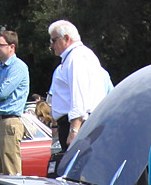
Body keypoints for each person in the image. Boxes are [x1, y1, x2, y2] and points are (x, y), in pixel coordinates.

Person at [46, 19, 110, 153]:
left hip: (78, 124)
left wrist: (74, 130)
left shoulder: (76, 57)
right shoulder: (79, 56)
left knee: (76, 171)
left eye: (53, 40)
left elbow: (79, 94)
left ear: (67, 38)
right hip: (79, 123)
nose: (51, 45)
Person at [0, 29, 29, 175]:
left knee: (11, 173)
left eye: (0, 45)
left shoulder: (18, 67)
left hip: (9, 123)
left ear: (12, 47)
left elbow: (3, 92)